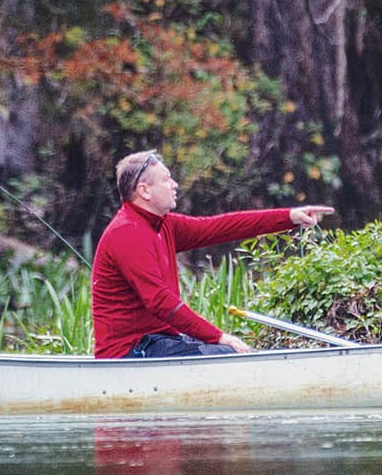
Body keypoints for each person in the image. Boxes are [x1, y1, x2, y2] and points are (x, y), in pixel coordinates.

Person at [91, 150, 332, 359]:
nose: (174, 184)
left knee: (229, 350)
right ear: (144, 190)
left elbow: (221, 227)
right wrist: (218, 336)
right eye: (166, 180)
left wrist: (287, 217)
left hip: (158, 340)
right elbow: (160, 302)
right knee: (226, 351)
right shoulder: (127, 233)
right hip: (130, 351)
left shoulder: (163, 224)